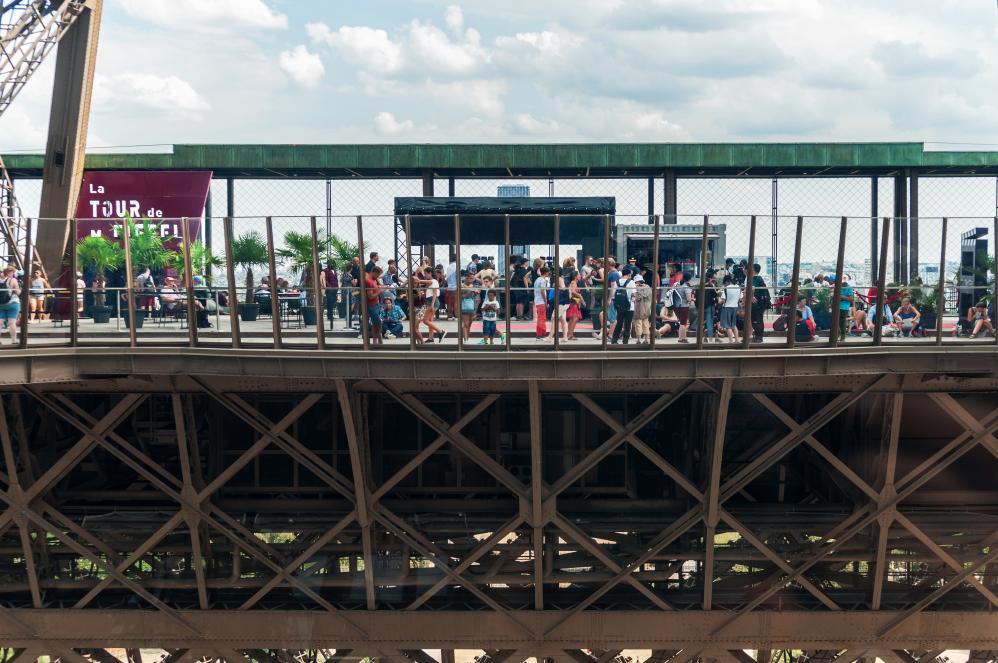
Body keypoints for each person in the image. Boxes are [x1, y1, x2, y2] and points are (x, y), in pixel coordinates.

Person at [611, 267, 636, 345]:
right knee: (627, 324)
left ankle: (614, 340)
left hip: (619, 306)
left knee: (619, 323)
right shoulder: (631, 282)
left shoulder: (616, 282)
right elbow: (634, 294)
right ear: (629, 274)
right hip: (629, 307)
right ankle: (625, 341)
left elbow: (613, 294)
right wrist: (633, 301)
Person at [748, 263, 769, 343]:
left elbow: (752, 288)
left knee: (756, 320)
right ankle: (759, 337)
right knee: (759, 320)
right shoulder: (760, 279)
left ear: (753, 269)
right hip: (761, 303)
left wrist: (752, 296)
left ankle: (758, 337)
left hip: (756, 303)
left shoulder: (754, 279)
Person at [631, 272, 652, 344]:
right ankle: (646, 340)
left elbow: (636, 298)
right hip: (647, 309)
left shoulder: (636, 288)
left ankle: (638, 340)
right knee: (646, 324)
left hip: (638, 309)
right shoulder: (648, 287)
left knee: (638, 324)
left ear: (637, 282)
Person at [719, 275, 741, 344]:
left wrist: (719, 298)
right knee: (734, 325)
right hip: (735, 307)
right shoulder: (738, 287)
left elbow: (722, 301)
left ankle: (731, 341)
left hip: (727, 308)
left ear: (728, 281)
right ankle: (737, 340)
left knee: (727, 326)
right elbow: (740, 298)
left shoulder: (726, 288)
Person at [673, 272, 693, 344]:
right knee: (683, 323)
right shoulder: (686, 287)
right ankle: (682, 338)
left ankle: (682, 338)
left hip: (676, 306)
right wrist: (692, 299)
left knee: (681, 322)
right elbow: (688, 299)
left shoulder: (677, 285)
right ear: (689, 279)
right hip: (684, 306)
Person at [459, 271, 478, 341]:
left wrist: (474, 293)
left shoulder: (472, 286)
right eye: (471, 278)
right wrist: (470, 292)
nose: (472, 280)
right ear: (466, 278)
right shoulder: (461, 285)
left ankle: (466, 338)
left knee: (469, 323)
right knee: (466, 324)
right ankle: (466, 339)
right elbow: (460, 296)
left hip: (471, 306)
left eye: (473, 278)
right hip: (464, 306)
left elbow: (473, 297)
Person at [533, 266, 550, 340]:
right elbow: (542, 291)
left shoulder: (537, 279)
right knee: (542, 318)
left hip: (537, 300)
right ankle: (540, 334)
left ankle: (541, 333)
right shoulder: (543, 280)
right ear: (546, 272)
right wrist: (546, 301)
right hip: (541, 301)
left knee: (541, 318)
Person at [837, 275, 855, 341]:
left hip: (844, 308)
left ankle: (842, 336)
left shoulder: (848, 288)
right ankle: (838, 335)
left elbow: (851, 298)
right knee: (837, 322)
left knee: (842, 322)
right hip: (837, 307)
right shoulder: (838, 286)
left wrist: (841, 297)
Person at [322, 261, 338, 327]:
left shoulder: (334, 270)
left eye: (333, 263)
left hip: (335, 289)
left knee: (333, 302)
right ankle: (329, 316)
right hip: (330, 289)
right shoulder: (325, 270)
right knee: (329, 303)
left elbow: (335, 278)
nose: (332, 265)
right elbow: (325, 280)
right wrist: (330, 286)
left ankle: (331, 315)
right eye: (330, 263)